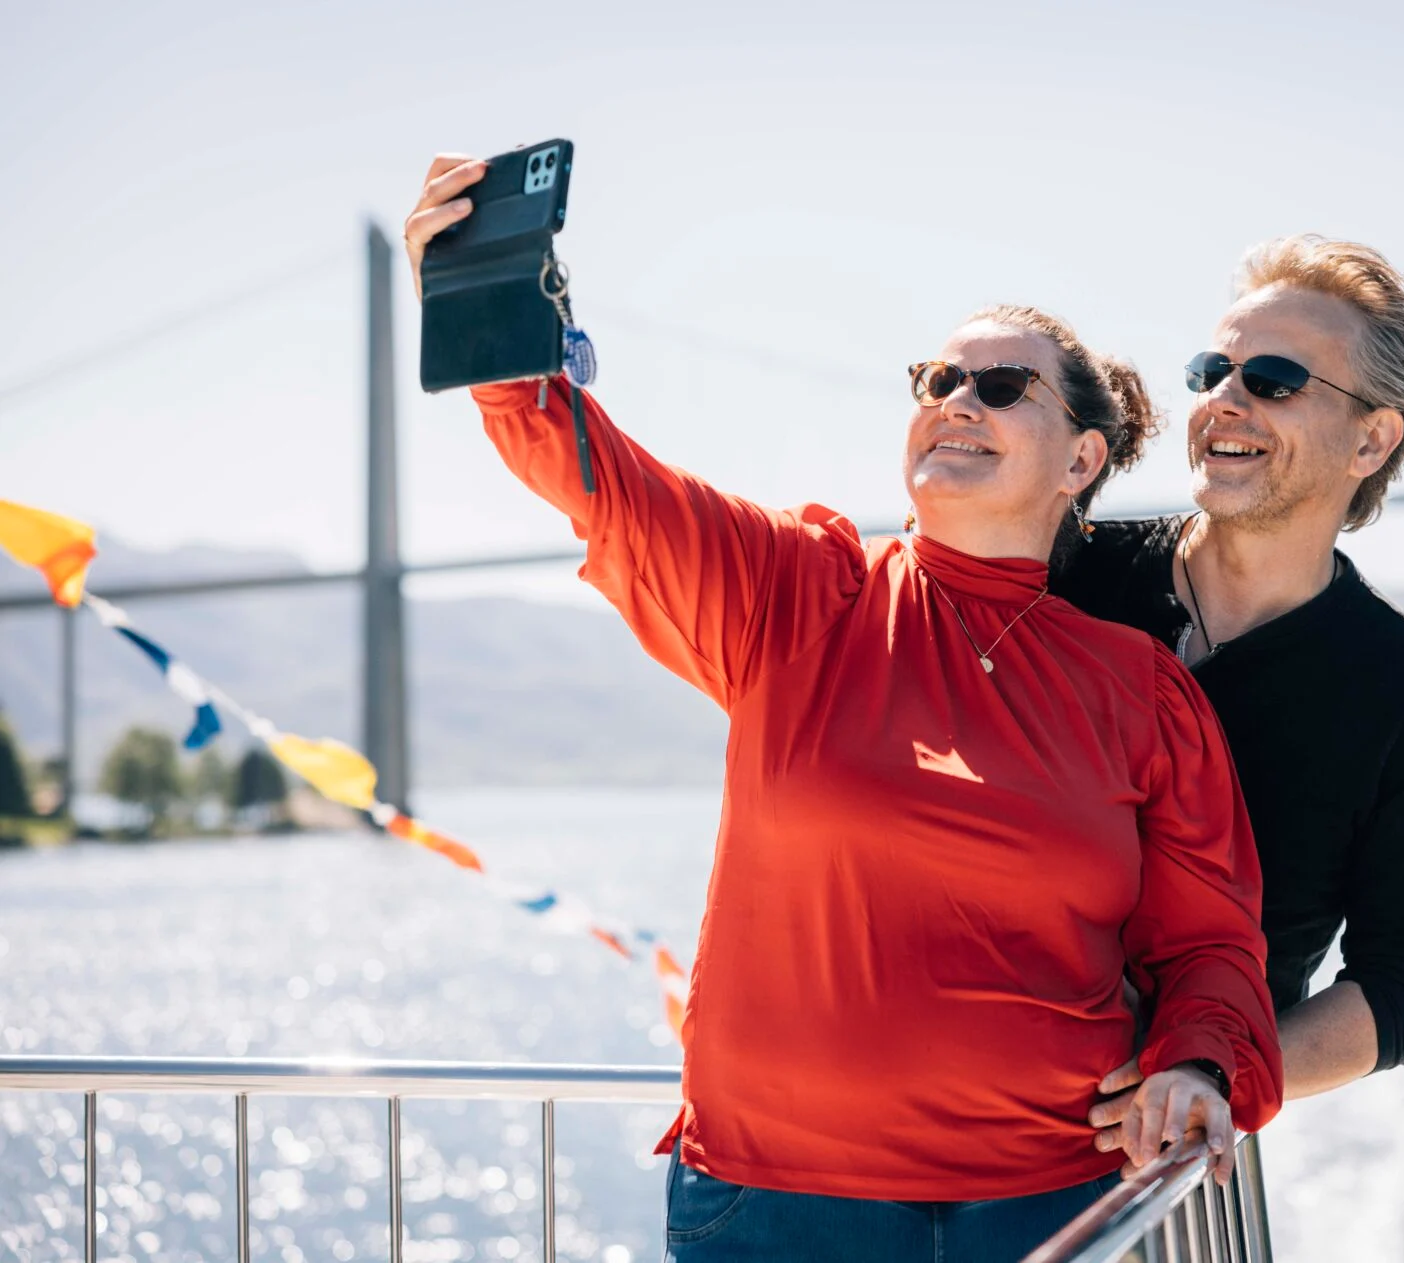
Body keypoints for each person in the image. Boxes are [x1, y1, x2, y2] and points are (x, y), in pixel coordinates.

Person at [404, 155, 1282, 1263]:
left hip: (1055, 1203)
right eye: (938, 380)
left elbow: (1209, 944)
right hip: (779, 1205)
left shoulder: (1139, 689)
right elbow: (596, 475)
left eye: (1002, 387)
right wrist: (482, 298)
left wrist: (1195, 1062)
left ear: (1082, 459)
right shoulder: (798, 591)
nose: (956, 401)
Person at [1062, 236, 1404, 1146]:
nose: (1223, 399)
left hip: (1153, 1179)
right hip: (942, 1124)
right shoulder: (1065, 577)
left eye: (1275, 379)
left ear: (1371, 439)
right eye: (1211, 371)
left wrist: (1209, 1075)